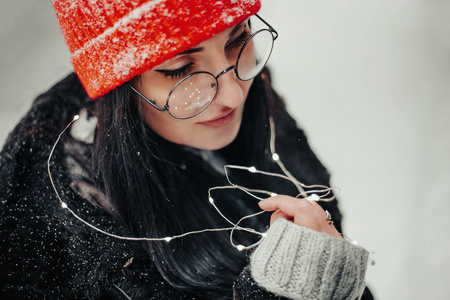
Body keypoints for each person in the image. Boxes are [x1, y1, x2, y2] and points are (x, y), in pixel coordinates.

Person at [0, 0, 373, 299]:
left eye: (237, 39)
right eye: (180, 69)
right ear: (118, 89)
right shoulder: (52, 225)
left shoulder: (250, 86)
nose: (232, 94)